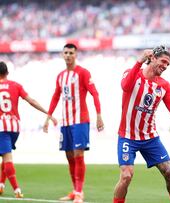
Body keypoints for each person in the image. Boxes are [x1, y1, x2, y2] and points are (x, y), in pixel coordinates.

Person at [113, 45, 170, 203]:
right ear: (153, 58)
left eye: (168, 64)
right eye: (163, 61)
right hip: (128, 137)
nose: (165, 66)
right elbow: (125, 86)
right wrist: (139, 61)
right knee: (126, 176)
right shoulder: (132, 73)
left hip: (150, 138)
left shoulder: (164, 85)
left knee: (169, 172)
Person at [43, 44, 104, 203]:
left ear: (76, 55)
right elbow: (56, 96)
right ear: (62, 55)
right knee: (69, 156)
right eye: (66, 53)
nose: (68, 55)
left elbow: (94, 93)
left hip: (80, 121)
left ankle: (79, 192)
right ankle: (74, 190)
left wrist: (99, 115)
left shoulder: (83, 73)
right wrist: (48, 116)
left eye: (71, 52)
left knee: (78, 154)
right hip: (66, 122)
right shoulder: (61, 76)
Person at [0, 61, 57, 198]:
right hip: (15, 127)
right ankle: (1, 184)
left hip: (1, 126)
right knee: (5, 154)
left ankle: (16, 190)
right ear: (7, 73)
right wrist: (48, 113)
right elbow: (31, 101)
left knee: (7, 157)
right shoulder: (16, 85)